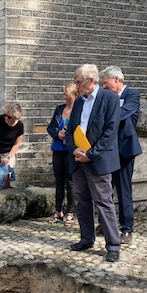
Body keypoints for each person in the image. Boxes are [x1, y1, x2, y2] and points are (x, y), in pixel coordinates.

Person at [66, 64, 121, 263]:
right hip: (78, 159)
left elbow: (110, 131)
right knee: (82, 202)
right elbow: (71, 129)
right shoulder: (79, 102)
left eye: (78, 82)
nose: (76, 86)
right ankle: (86, 238)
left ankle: (113, 245)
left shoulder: (110, 99)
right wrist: (73, 149)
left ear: (91, 80)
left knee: (104, 203)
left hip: (98, 160)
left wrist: (91, 154)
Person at [99, 66, 143, 244]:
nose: (103, 87)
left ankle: (127, 229)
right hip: (107, 149)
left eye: (106, 83)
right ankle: (105, 224)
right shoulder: (105, 96)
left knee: (124, 190)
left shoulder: (132, 95)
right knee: (105, 190)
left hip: (124, 149)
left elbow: (123, 114)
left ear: (116, 79)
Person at [47, 82, 79, 227]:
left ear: (75, 95)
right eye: (64, 94)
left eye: (67, 94)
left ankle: (70, 213)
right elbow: (50, 127)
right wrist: (57, 134)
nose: (64, 97)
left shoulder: (79, 110)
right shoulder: (59, 109)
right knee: (59, 182)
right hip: (58, 149)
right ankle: (58, 211)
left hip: (70, 151)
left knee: (70, 183)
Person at [0, 103, 24, 167]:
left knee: (7, 174)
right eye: (5, 115)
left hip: (8, 153)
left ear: (15, 117)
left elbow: (17, 144)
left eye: (9, 117)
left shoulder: (19, 125)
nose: (6, 118)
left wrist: (8, 157)